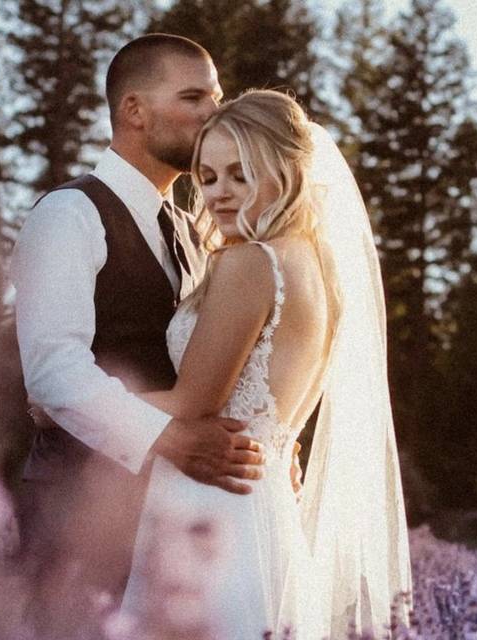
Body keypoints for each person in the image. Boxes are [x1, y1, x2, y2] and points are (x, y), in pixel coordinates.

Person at [120, 89, 413, 639]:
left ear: (285, 172)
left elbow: (192, 404)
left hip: (210, 504)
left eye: (241, 173)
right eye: (207, 178)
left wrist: (75, 400)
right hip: (267, 507)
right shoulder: (319, 268)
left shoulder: (251, 263)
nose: (219, 195)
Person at [9, 34, 267, 635]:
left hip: (175, 512)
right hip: (74, 509)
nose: (214, 114)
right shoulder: (68, 215)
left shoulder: (194, 230)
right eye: (194, 98)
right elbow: (52, 372)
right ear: (133, 111)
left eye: (218, 98)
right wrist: (173, 438)